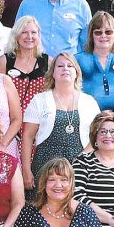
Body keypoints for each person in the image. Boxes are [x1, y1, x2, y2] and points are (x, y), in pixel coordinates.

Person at [20, 53, 100, 189]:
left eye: (70, 66)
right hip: (45, 164)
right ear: (53, 73)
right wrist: (26, 170)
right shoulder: (39, 100)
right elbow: (27, 136)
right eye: (60, 66)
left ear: (77, 72)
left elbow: (96, 136)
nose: (65, 69)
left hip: (79, 165)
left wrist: (81, 158)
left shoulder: (89, 102)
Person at [0, 15, 51, 112]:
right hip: (10, 117)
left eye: (33, 32)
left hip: (39, 117)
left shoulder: (48, 62)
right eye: (24, 32)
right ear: (16, 35)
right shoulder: (4, 61)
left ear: (38, 35)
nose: (29, 37)